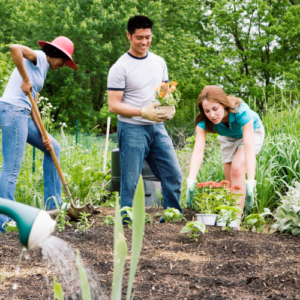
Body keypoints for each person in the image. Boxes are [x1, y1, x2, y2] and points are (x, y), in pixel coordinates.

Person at [107, 15, 182, 220]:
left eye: (148, 37)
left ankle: (171, 217)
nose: (144, 42)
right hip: (132, 128)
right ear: (129, 36)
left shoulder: (159, 62)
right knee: (130, 181)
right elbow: (113, 105)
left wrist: (170, 107)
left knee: (173, 175)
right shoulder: (120, 67)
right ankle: (126, 221)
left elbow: (165, 92)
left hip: (157, 127)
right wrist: (141, 112)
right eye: (139, 37)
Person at [0, 36, 77, 232]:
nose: (62, 65)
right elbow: (14, 47)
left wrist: (43, 133)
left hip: (24, 114)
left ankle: (53, 207)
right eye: (63, 61)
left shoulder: (43, 70)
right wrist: (25, 79)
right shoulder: (40, 57)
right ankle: (4, 221)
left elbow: (33, 104)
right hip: (12, 111)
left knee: (53, 148)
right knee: (11, 168)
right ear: (56, 55)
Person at [186, 85, 265, 218]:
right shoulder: (203, 121)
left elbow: (249, 148)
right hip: (228, 137)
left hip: (252, 132)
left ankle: (236, 220)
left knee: (237, 167)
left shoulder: (241, 112)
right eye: (207, 111)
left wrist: (251, 180)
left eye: (215, 109)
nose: (212, 115)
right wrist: (191, 178)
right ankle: (230, 219)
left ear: (224, 104)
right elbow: (198, 150)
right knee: (230, 183)